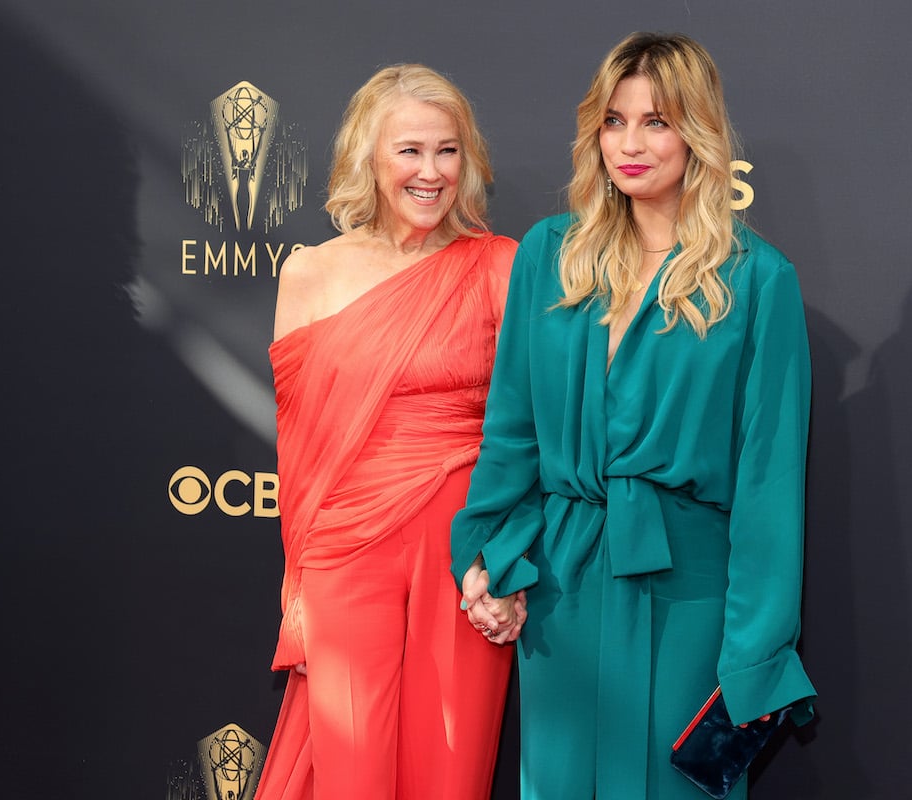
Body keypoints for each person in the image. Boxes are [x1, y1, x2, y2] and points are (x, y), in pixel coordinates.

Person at [452, 32, 816, 799]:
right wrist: (489, 555)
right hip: (564, 586)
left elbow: (769, 487)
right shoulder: (550, 255)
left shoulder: (757, 280)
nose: (630, 144)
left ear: (697, 133)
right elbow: (512, 432)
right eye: (614, 121)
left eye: (657, 122)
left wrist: (752, 658)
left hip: (691, 597)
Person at [255, 64, 524, 800]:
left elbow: (527, 433)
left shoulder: (502, 267)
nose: (431, 172)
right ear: (367, 158)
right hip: (344, 551)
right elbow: (300, 450)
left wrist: (507, 560)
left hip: (465, 552)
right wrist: (298, 583)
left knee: (451, 773)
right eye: (409, 150)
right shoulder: (309, 274)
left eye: (448, 151)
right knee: (352, 770)